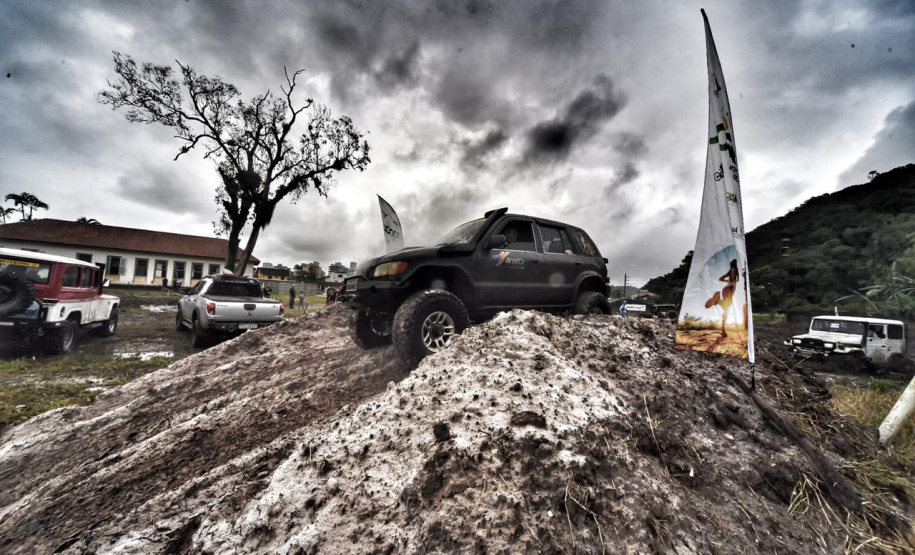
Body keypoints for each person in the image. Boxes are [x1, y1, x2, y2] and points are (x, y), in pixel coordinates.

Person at [705, 258, 739, 337]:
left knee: (725, 308)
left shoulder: (730, 271)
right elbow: (735, 277)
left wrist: (727, 281)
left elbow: (720, 279)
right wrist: (733, 281)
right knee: (727, 309)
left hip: (725, 289)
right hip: (730, 289)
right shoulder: (734, 269)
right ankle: (723, 329)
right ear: (735, 265)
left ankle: (716, 301)